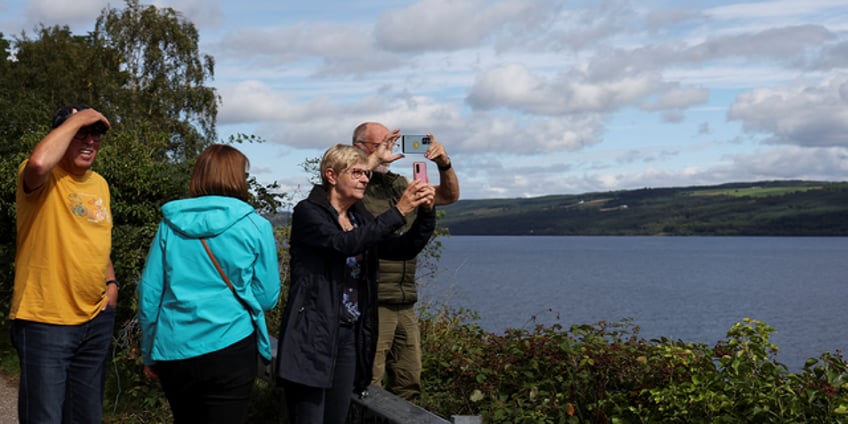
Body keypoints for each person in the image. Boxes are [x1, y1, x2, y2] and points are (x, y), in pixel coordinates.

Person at [276, 144, 436, 424]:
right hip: (312, 334)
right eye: (357, 173)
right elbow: (343, 244)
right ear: (331, 175)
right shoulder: (308, 213)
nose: (365, 178)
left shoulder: (358, 218)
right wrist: (398, 210)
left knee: (338, 417)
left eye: (366, 172)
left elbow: (401, 249)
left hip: (349, 334)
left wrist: (425, 214)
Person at [137, 144, 281, 424]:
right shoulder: (255, 225)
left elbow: (150, 293)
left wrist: (148, 351)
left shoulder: (170, 223)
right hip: (232, 342)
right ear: (238, 178)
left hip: (174, 345)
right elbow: (267, 298)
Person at [9, 104, 116, 423]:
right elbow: (40, 161)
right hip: (45, 319)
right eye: (80, 133)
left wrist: (111, 284)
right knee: (45, 418)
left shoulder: (100, 185)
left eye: (95, 135)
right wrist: (84, 116)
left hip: (95, 319)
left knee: (86, 417)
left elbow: (96, 239)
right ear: (61, 134)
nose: (90, 141)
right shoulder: (41, 177)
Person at [352, 122, 460, 400]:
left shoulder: (399, 184)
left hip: (405, 301)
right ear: (359, 148)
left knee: (408, 383)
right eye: (380, 144)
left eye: (392, 142)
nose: (388, 149)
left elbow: (449, 196)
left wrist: (444, 164)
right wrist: (372, 161)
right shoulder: (353, 185)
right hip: (373, 302)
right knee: (368, 385)